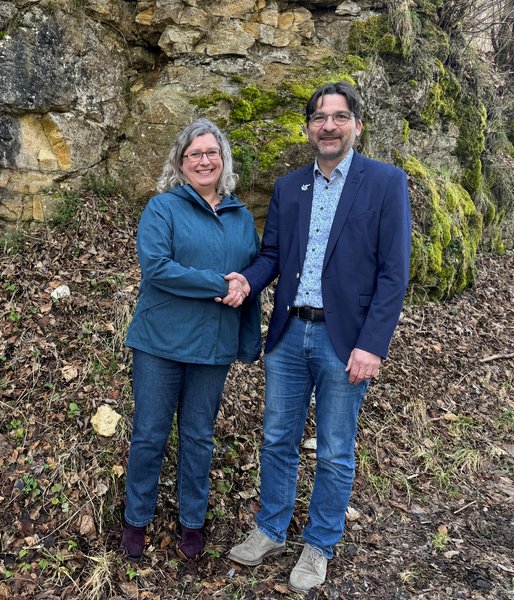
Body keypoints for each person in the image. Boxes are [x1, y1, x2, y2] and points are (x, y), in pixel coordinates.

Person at [221, 82, 411, 592]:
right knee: (277, 439)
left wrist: (372, 344)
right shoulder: (289, 188)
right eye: (320, 118)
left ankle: (320, 543)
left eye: (339, 116)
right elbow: (273, 257)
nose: (329, 125)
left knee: (334, 449)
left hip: (344, 341)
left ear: (356, 125)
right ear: (308, 128)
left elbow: (394, 274)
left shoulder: (386, 183)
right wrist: (247, 280)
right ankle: (270, 529)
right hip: (288, 336)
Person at [120, 118, 262, 562]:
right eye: (194, 154)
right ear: (181, 164)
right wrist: (219, 284)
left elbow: (250, 277)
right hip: (160, 343)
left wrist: (247, 330)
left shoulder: (241, 219)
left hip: (212, 346)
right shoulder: (162, 209)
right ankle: (136, 519)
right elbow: (157, 268)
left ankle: (192, 523)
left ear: (224, 160)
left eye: (211, 152)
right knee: (149, 434)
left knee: (199, 437)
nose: (204, 160)